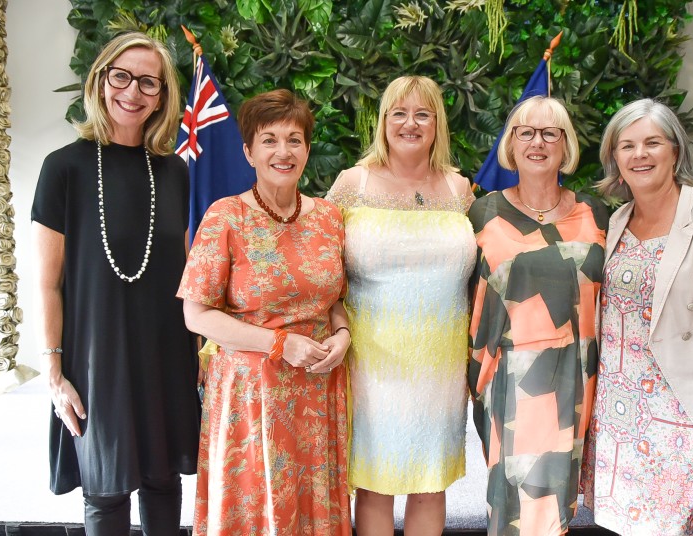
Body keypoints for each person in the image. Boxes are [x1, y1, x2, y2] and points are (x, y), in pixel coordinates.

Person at [31, 32, 200, 535]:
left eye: (149, 82)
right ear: (102, 79)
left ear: (163, 95)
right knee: (104, 493)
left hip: (165, 353)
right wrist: (53, 372)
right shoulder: (62, 167)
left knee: (165, 483)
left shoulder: (174, 172)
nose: (133, 91)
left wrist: (198, 356)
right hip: (94, 358)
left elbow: (185, 270)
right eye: (121, 76)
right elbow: (46, 283)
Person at [580, 98, 693, 535]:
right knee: (622, 525)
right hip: (618, 414)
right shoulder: (615, 220)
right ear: (615, 158)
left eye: (652, 143)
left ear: (675, 151)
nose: (639, 154)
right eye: (627, 146)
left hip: (682, 418)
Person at [178, 89, 351, 535]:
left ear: (308, 150)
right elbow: (196, 315)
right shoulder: (226, 216)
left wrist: (344, 333)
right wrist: (279, 344)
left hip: (317, 391)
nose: (283, 151)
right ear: (248, 151)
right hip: (251, 394)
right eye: (269, 139)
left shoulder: (330, 217)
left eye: (294, 139)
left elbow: (333, 296)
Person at [326, 75, 476, 535]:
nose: (410, 123)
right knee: (375, 481)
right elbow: (319, 264)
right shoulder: (353, 182)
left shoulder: (459, 189)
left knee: (431, 480)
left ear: (438, 124)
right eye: (399, 113)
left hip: (441, 363)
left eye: (423, 113)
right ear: (383, 121)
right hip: (372, 361)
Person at [468, 95, 608, 535]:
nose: (537, 142)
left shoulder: (597, 213)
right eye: (525, 132)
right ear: (511, 143)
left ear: (566, 146)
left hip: (580, 372)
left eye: (551, 132)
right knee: (517, 502)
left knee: (556, 500)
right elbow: (465, 299)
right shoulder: (482, 212)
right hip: (510, 375)